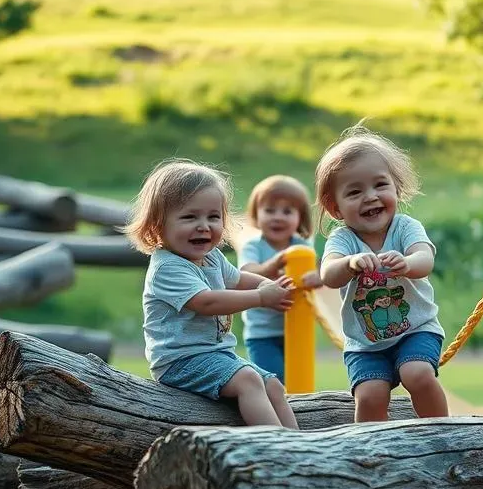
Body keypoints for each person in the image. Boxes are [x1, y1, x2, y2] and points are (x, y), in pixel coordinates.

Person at [126, 158, 299, 428]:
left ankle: (303, 448)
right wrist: (261, 298)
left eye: (213, 217)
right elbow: (207, 302)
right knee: (248, 380)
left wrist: (263, 284)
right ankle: (275, 448)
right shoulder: (168, 267)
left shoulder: (212, 257)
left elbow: (238, 279)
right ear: (157, 225)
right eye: (189, 217)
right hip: (179, 361)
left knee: (274, 385)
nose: (204, 226)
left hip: (217, 355)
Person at [316, 123, 448, 422]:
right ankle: (373, 451)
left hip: (416, 330)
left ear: (396, 188)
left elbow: (424, 259)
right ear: (335, 208)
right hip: (365, 343)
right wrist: (350, 264)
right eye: (354, 192)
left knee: (417, 374)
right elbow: (328, 274)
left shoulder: (405, 227)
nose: (370, 197)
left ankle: (443, 432)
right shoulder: (342, 239)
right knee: (370, 395)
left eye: (380, 185)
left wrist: (408, 263)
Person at [239, 174, 322, 382]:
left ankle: (302, 413)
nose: (278, 217)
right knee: (272, 381)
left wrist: (318, 278)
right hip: (263, 332)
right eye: (269, 210)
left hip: (297, 326)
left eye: (287, 211)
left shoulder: (303, 248)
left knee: (299, 381)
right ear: (256, 215)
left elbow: (317, 275)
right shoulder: (254, 246)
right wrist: (272, 266)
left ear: (300, 218)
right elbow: (247, 273)